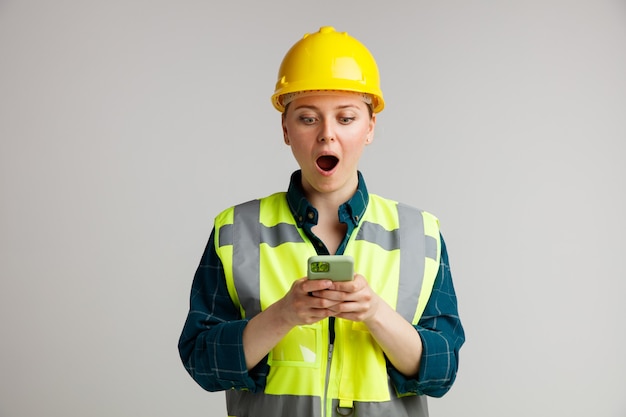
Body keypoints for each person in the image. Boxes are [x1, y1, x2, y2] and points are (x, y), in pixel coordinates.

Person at [178, 26, 465, 417]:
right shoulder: (236, 230)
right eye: (308, 119)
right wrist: (283, 315)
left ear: (370, 128)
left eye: (345, 118)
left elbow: (442, 371)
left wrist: (375, 313)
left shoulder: (420, 235)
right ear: (285, 129)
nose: (327, 136)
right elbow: (202, 363)